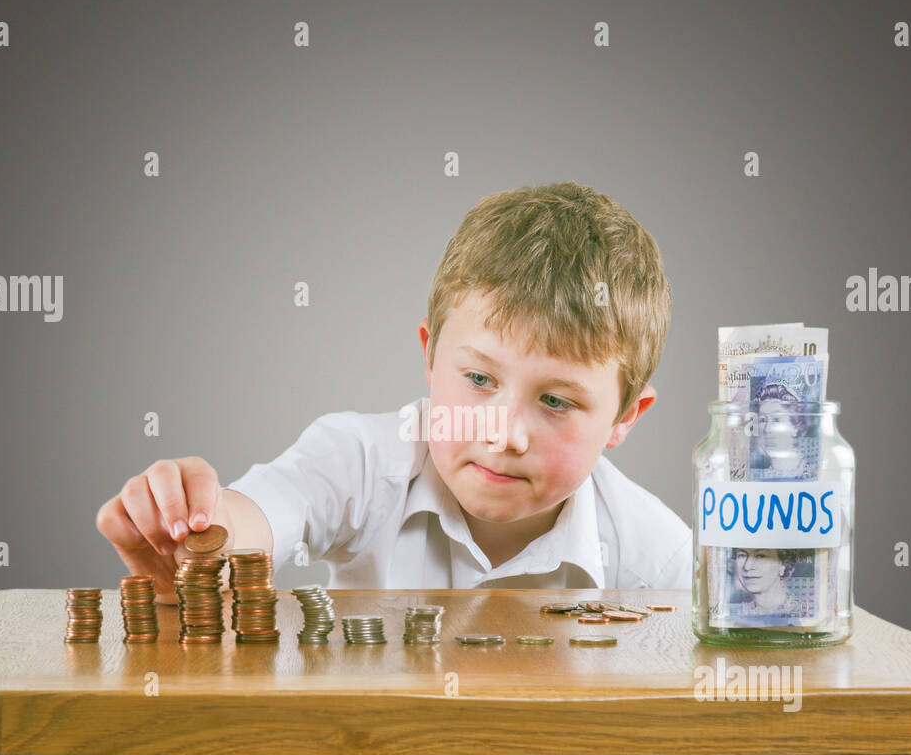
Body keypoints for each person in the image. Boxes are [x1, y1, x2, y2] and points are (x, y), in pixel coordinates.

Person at [97, 182, 691, 599]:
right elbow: (274, 508)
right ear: (430, 356)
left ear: (624, 416)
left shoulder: (663, 562)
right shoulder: (362, 459)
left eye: (556, 401)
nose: (502, 434)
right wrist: (203, 526)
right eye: (479, 379)